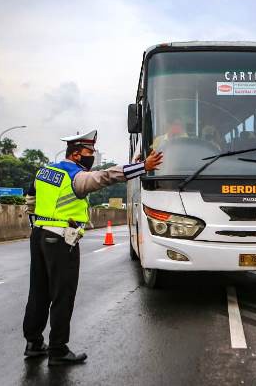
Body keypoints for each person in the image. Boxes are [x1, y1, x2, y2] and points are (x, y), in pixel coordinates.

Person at [22, 130, 163, 365]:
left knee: (38, 291)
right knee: (62, 294)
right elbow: (106, 177)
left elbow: (30, 200)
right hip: (61, 239)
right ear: (76, 154)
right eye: (89, 152)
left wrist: (39, 222)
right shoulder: (74, 176)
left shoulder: (44, 172)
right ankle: (58, 350)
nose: (92, 157)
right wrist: (142, 167)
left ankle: (33, 343)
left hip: (38, 235)